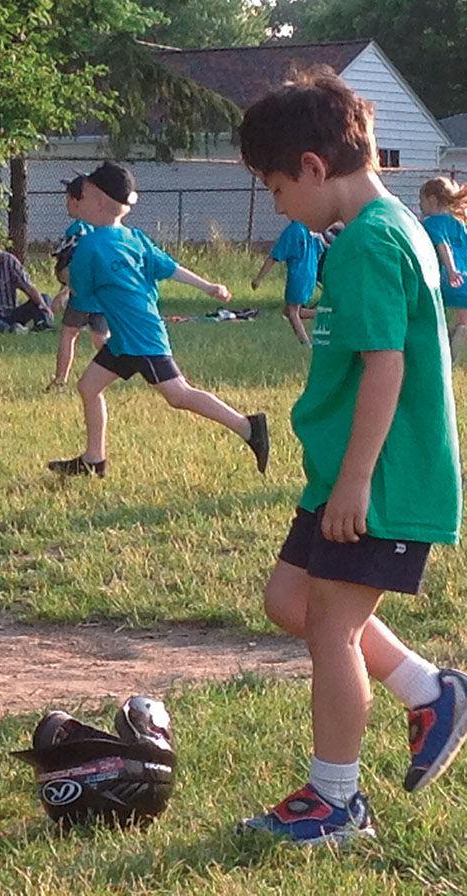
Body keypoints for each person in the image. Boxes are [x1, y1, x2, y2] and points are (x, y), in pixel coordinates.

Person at [236, 72, 466, 846]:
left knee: (330, 627)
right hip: (348, 471)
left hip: (380, 479)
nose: (278, 208)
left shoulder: (369, 242)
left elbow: (386, 368)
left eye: (274, 189)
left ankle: (335, 802)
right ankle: (428, 690)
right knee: (289, 600)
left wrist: (358, 482)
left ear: (310, 166)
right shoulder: (390, 225)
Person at [45, 162, 269, 478]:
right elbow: (170, 267)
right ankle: (94, 460)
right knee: (88, 385)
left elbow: (80, 289)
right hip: (127, 338)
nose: (77, 200)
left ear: (97, 201)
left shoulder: (91, 245)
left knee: (179, 395)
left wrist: (64, 273)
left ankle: (248, 427)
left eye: (82, 194)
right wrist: (208, 287)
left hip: (140, 339)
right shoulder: (134, 238)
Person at [47, 175, 107, 391]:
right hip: (100, 296)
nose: (66, 204)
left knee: (69, 335)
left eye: (68, 199)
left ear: (77, 200)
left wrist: (66, 290)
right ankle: (106, 376)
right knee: (100, 340)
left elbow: (70, 265)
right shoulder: (103, 227)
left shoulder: (77, 229)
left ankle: (60, 380)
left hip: (82, 296)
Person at [252, 219, 326, 346]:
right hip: (310, 273)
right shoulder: (312, 229)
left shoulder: (293, 230)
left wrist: (258, 279)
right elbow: (320, 250)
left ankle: (305, 343)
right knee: (289, 311)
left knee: (292, 312)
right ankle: (323, 314)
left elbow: (274, 256)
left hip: (298, 275)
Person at [419, 176, 467, 360]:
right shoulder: (459, 223)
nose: (420, 205)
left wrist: (451, 269)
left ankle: (445, 352)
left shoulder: (432, 222)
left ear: (432, 200)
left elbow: (442, 245)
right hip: (465, 279)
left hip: (448, 279)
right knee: (462, 323)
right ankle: (456, 337)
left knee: (439, 319)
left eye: (421, 200)